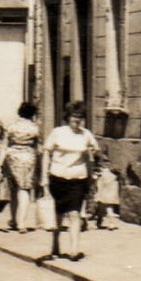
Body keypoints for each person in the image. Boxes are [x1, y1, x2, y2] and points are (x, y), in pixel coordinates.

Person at [41, 101, 99, 262]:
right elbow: (46, 153)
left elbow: (92, 154)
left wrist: (91, 174)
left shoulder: (86, 134)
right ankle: (55, 245)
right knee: (59, 213)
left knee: (74, 213)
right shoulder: (58, 132)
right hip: (57, 178)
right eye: (74, 116)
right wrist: (44, 177)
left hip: (78, 179)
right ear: (68, 117)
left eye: (80, 117)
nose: (77, 119)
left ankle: (74, 250)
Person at [0, 101, 42, 233]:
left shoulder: (11, 127)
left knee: (13, 190)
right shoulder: (35, 128)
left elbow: (4, 146)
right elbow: (39, 148)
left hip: (12, 158)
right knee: (25, 189)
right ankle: (22, 223)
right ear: (32, 114)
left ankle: (14, 220)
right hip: (29, 158)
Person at [92, 157, 122, 230]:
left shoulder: (101, 173)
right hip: (110, 194)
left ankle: (100, 223)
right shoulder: (113, 175)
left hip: (102, 194)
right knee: (108, 208)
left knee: (101, 208)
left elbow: (95, 179)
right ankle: (110, 224)